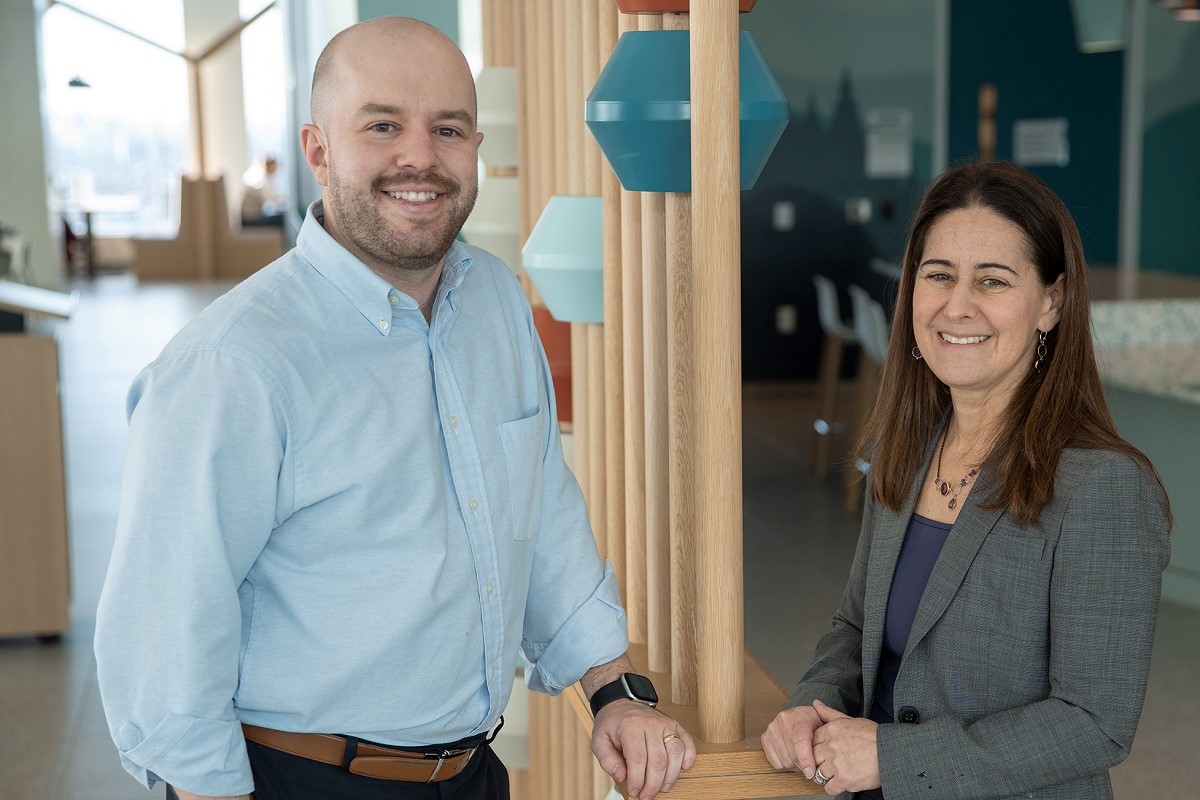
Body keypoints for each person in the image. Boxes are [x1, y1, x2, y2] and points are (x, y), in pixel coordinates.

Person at [95, 17, 695, 800]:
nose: (420, 157)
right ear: (317, 148)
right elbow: (165, 641)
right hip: (299, 780)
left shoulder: (497, 303)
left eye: (447, 129)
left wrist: (613, 690)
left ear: (474, 147)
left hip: (473, 775)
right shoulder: (231, 365)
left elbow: (542, 512)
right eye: (383, 125)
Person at [761, 161, 1171, 798]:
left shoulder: (1104, 489)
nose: (958, 306)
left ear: (1051, 302)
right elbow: (853, 627)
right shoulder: (906, 450)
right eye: (939, 275)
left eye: (993, 281)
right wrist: (811, 708)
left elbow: (1095, 724)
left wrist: (893, 758)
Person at [240, 155, 285, 228]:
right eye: (275, 167)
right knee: (284, 218)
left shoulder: (260, 174)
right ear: (270, 166)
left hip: (251, 217)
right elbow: (271, 198)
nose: (276, 171)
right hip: (250, 220)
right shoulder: (260, 177)